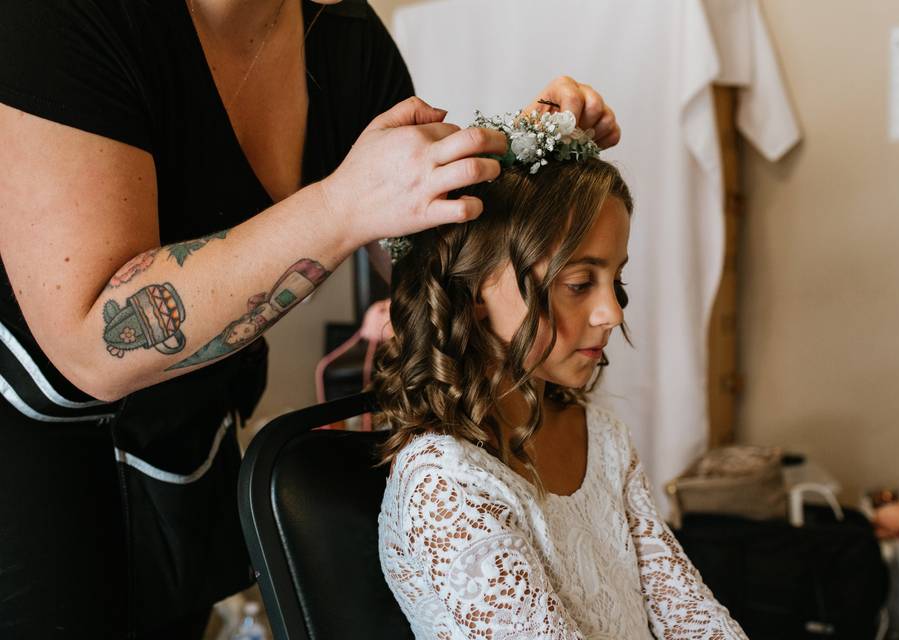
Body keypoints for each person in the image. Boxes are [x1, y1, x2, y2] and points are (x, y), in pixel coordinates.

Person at [0, 0, 621, 636]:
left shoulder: (342, 34)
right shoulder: (62, 19)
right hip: (30, 469)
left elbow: (426, 259)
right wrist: (339, 207)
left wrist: (517, 163)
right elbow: (89, 346)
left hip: (191, 439)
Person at [374, 110, 748, 638]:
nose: (612, 313)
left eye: (614, 279)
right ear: (474, 291)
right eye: (578, 283)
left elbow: (687, 613)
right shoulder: (446, 484)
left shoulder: (605, 438)